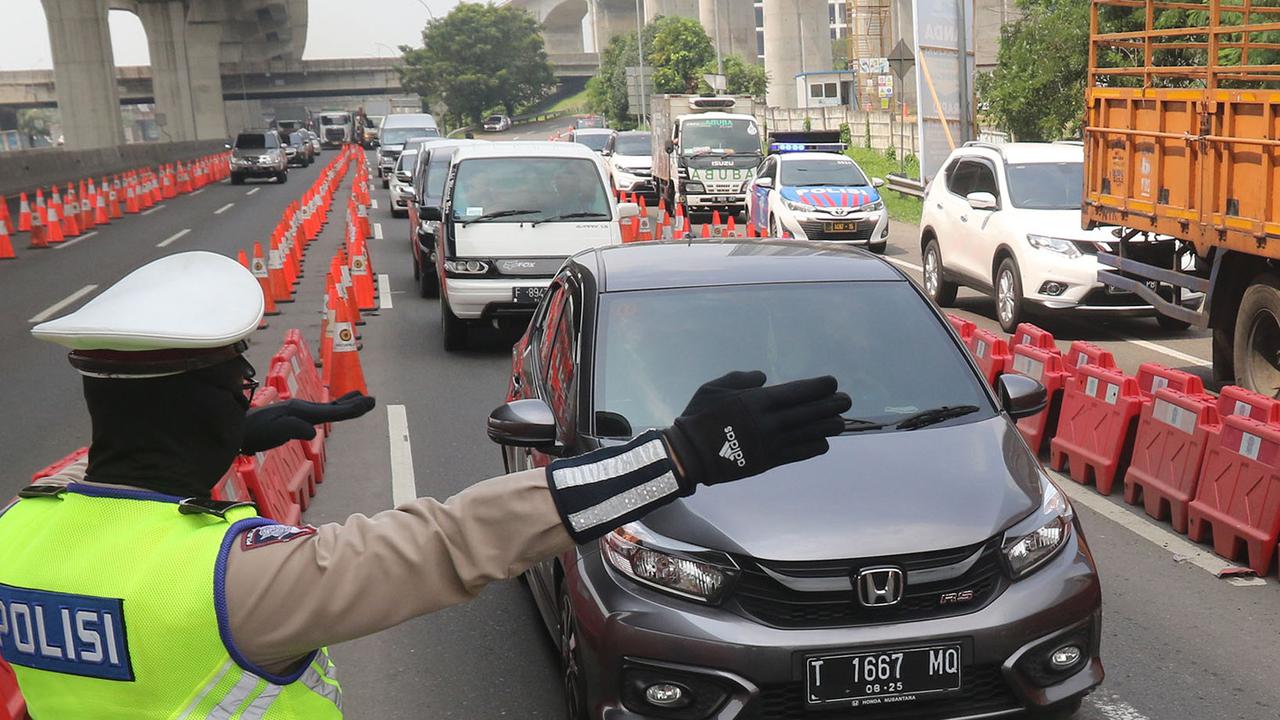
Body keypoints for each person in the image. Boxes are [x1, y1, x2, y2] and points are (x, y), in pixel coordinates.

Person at [0, 251, 850, 718]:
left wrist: (223, 435)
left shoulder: (20, 537)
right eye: (238, 381)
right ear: (206, 406)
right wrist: (681, 456)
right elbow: (453, 541)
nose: (251, 389)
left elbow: (111, 485)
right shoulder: (240, 580)